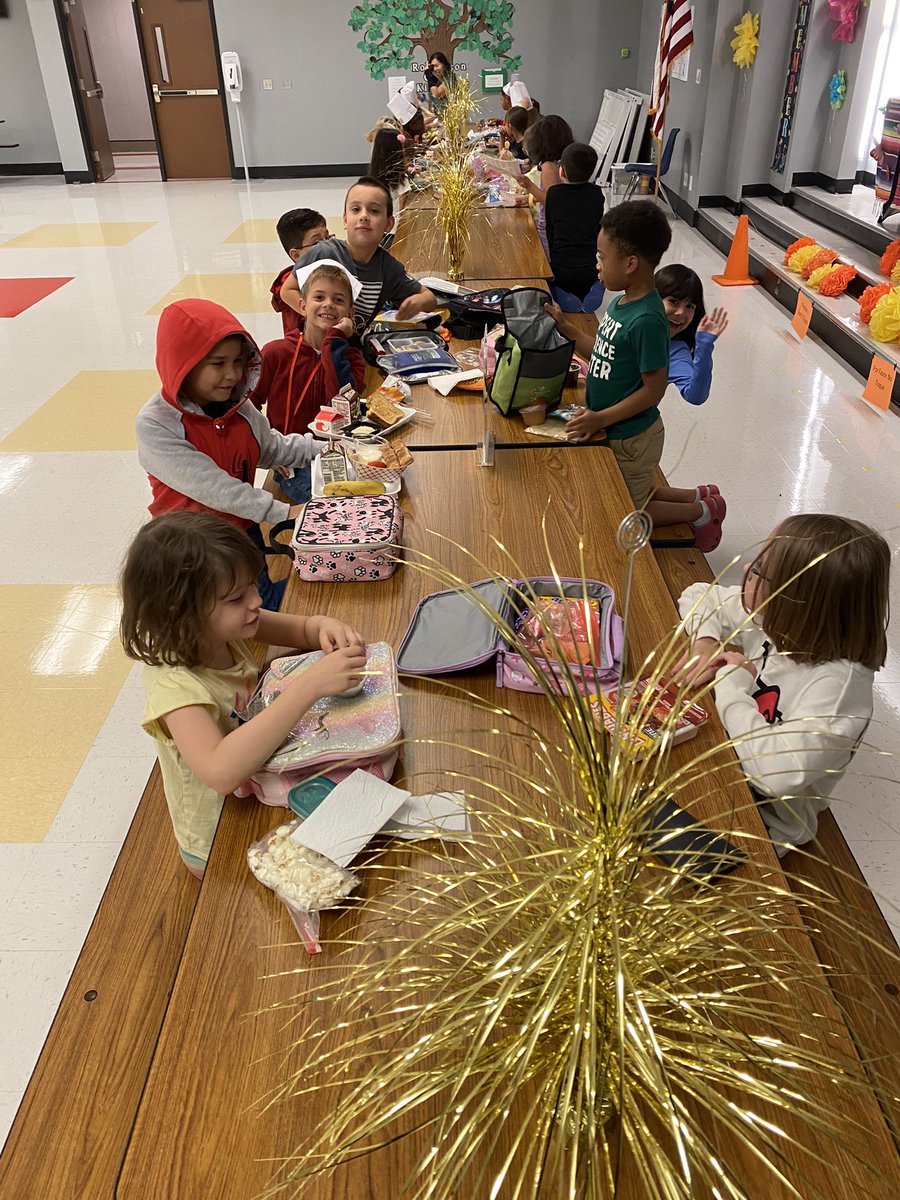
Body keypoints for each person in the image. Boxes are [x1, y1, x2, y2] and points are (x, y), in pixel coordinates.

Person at [121, 511, 367, 877]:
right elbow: (221, 773)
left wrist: (324, 627)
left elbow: (303, 630)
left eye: (253, 585)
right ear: (181, 611)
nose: (255, 601)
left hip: (265, 777)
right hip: (222, 838)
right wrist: (309, 686)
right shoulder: (175, 688)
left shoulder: (225, 627)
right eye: (237, 598)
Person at [676, 513, 890, 854]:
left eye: (761, 569)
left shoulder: (838, 689)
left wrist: (731, 684)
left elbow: (775, 776)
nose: (746, 570)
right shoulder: (775, 617)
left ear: (798, 601)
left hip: (761, 824)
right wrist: (705, 641)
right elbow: (700, 594)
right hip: (727, 759)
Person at [545, 201, 727, 551]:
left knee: (630, 506)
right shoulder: (622, 302)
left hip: (632, 435)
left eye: (601, 258)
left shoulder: (646, 319)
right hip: (617, 428)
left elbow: (653, 391)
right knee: (636, 486)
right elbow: (600, 348)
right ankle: (700, 495)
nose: (596, 265)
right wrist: (566, 328)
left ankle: (701, 511)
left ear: (629, 264)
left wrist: (599, 417)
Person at [135, 298, 321, 608]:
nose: (233, 374)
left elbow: (271, 448)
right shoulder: (156, 424)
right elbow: (216, 488)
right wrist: (286, 512)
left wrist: (328, 448)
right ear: (183, 363)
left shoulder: (238, 405)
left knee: (263, 603)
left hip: (241, 531)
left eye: (238, 361)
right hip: (193, 552)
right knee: (245, 618)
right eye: (218, 363)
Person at [279, 177, 437, 333]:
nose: (364, 216)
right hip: (316, 349)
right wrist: (316, 315)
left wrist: (417, 302)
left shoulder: (388, 268)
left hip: (352, 349)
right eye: (356, 209)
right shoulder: (323, 252)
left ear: (388, 224)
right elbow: (287, 291)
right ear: (345, 219)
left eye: (374, 211)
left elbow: (429, 298)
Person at [253, 261, 365, 438]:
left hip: (333, 452)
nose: (328, 304)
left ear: (350, 315)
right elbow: (249, 405)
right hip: (286, 457)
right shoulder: (275, 353)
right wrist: (265, 444)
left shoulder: (352, 359)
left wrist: (334, 340)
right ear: (303, 307)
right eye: (319, 297)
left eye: (338, 300)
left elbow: (341, 403)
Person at [655, 264, 728, 406]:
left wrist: (704, 347)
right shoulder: (627, 325)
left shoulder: (675, 352)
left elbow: (695, 396)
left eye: (689, 306)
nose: (681, 312)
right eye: (673, 301)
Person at [545, 142, 606, 313]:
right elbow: (596, 227)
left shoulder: (554, 194)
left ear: (562, 171)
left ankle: (561, 294)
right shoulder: (596, 194)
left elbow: (550, 230)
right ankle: (595, 286)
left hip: (561, 268)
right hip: (589, 268)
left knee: (550, 282)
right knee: (590, 275)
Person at [520, 115, 574, 256]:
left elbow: (552, 201)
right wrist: (528, 198)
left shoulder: (547, 167)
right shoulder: (561, 163)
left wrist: (529, 185)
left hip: (549, 228)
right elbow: (557, 194)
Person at [270, 209, 329, 336]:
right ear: (296, 255)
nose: (327, 246)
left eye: (328, 237)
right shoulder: (290, 282)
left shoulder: (330, 271)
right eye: (317, 243)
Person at [368, 127, 412, 232]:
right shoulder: (400, 178)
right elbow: (403, 210)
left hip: (377, 228)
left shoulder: (373, 177)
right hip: (394, 230)